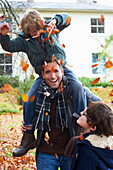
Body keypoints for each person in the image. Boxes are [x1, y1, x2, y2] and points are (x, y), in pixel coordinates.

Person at [0, 10, 102, 157]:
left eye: (36, 31)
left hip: (62, 69)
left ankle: (79, 125)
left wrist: (55, 20)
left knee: (78, 88)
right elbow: (10, 46)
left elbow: (67, 18)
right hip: (43, 74)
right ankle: (28, 137)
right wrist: (3, 36)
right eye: (31, 32)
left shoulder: (51, 30)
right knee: (29, 99)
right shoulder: (24, 40)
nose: (34, 34)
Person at [64, 101, 113, 170]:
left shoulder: (87, 149)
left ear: (92, 126)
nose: (81, 113)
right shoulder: (108, 144)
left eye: (84, 114)